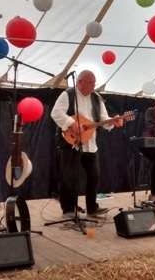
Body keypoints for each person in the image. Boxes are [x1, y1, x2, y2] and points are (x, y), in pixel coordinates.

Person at [51, 70, 123, 219]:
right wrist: (72, 123)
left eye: (94, 83)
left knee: (94, 176)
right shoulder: (68, 95)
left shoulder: (97, 98)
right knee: (68, 177)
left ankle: (92, 207)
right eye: (90, 83)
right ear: (79, 82)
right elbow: (56, 112)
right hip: (70, 142)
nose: (93, 86)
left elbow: (102, 118)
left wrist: (112, 121)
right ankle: (69, 209)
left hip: (90, 143)